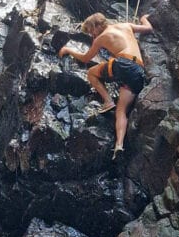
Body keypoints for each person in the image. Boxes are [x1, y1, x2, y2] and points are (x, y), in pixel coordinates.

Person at [58, 12, 153, 158]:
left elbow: (85, 58)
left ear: (97, 26)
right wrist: (143, 18)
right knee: (121, 110)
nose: (92, 35)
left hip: (123, 64)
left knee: (91, 73)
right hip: (138, 72)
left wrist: (68, 50)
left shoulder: (102, 37)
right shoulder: (126, 25)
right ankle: (119, 145)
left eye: (91, 31)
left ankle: (108, 101)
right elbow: (148, 28)